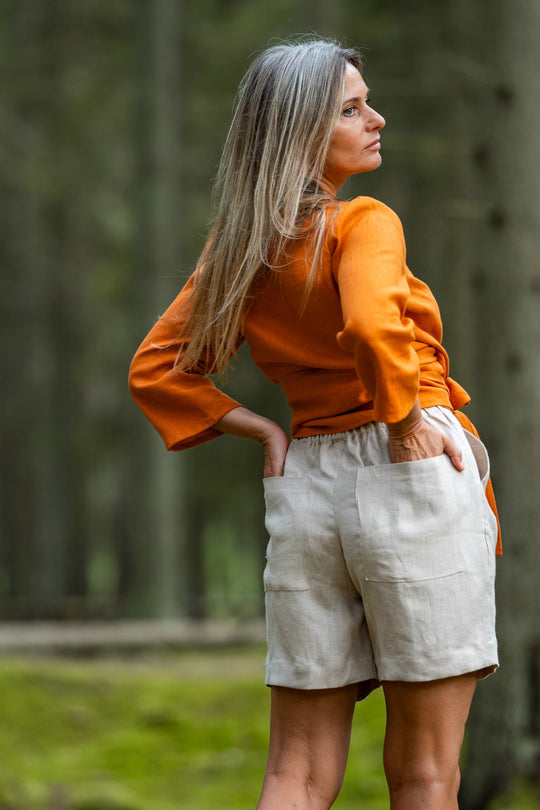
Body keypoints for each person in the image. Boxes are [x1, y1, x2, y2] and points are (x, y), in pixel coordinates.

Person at [129, 37, 500, 810]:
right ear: (301, 133)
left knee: (294, 773)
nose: (378, 119)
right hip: (410, 472)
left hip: (308, 480)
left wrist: (265, 432)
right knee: (427, 772)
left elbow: (157, 367)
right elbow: (371, 327)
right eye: (352, 109)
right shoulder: (364, 222)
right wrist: (403, 424)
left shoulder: (240, 250)